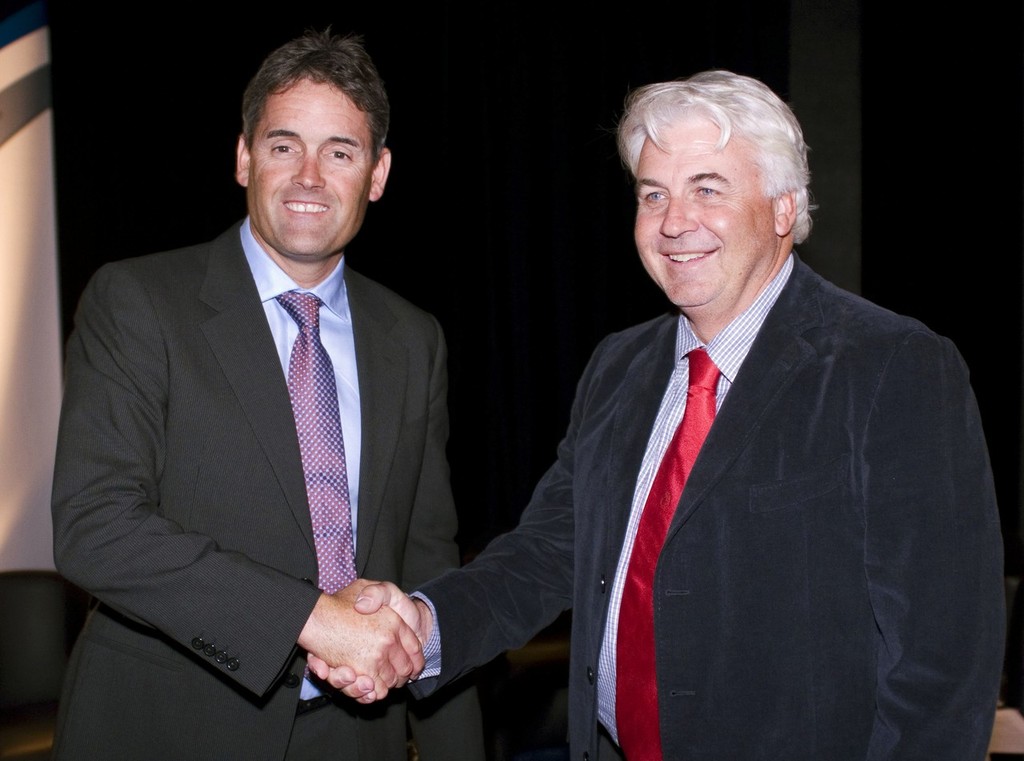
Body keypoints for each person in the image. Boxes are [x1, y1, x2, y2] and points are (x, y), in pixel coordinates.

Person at [316, 69, 1008, 759]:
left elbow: (942, 669)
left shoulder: (892, 367)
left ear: (783, 209)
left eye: (708, 188)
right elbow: (549, 554)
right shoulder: (618, 366)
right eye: (654, 194)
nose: (675, 222)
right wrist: (421, 625)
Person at [49, 28, 484, 761]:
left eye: (340, 152)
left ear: (377, 174)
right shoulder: (139, 302)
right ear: (244, 157)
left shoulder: (414, 338)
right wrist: (310, 618)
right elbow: (95, 526)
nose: (310, 175)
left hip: (357, 737)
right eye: (285, 145)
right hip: (170, 728)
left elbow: (428, 561)